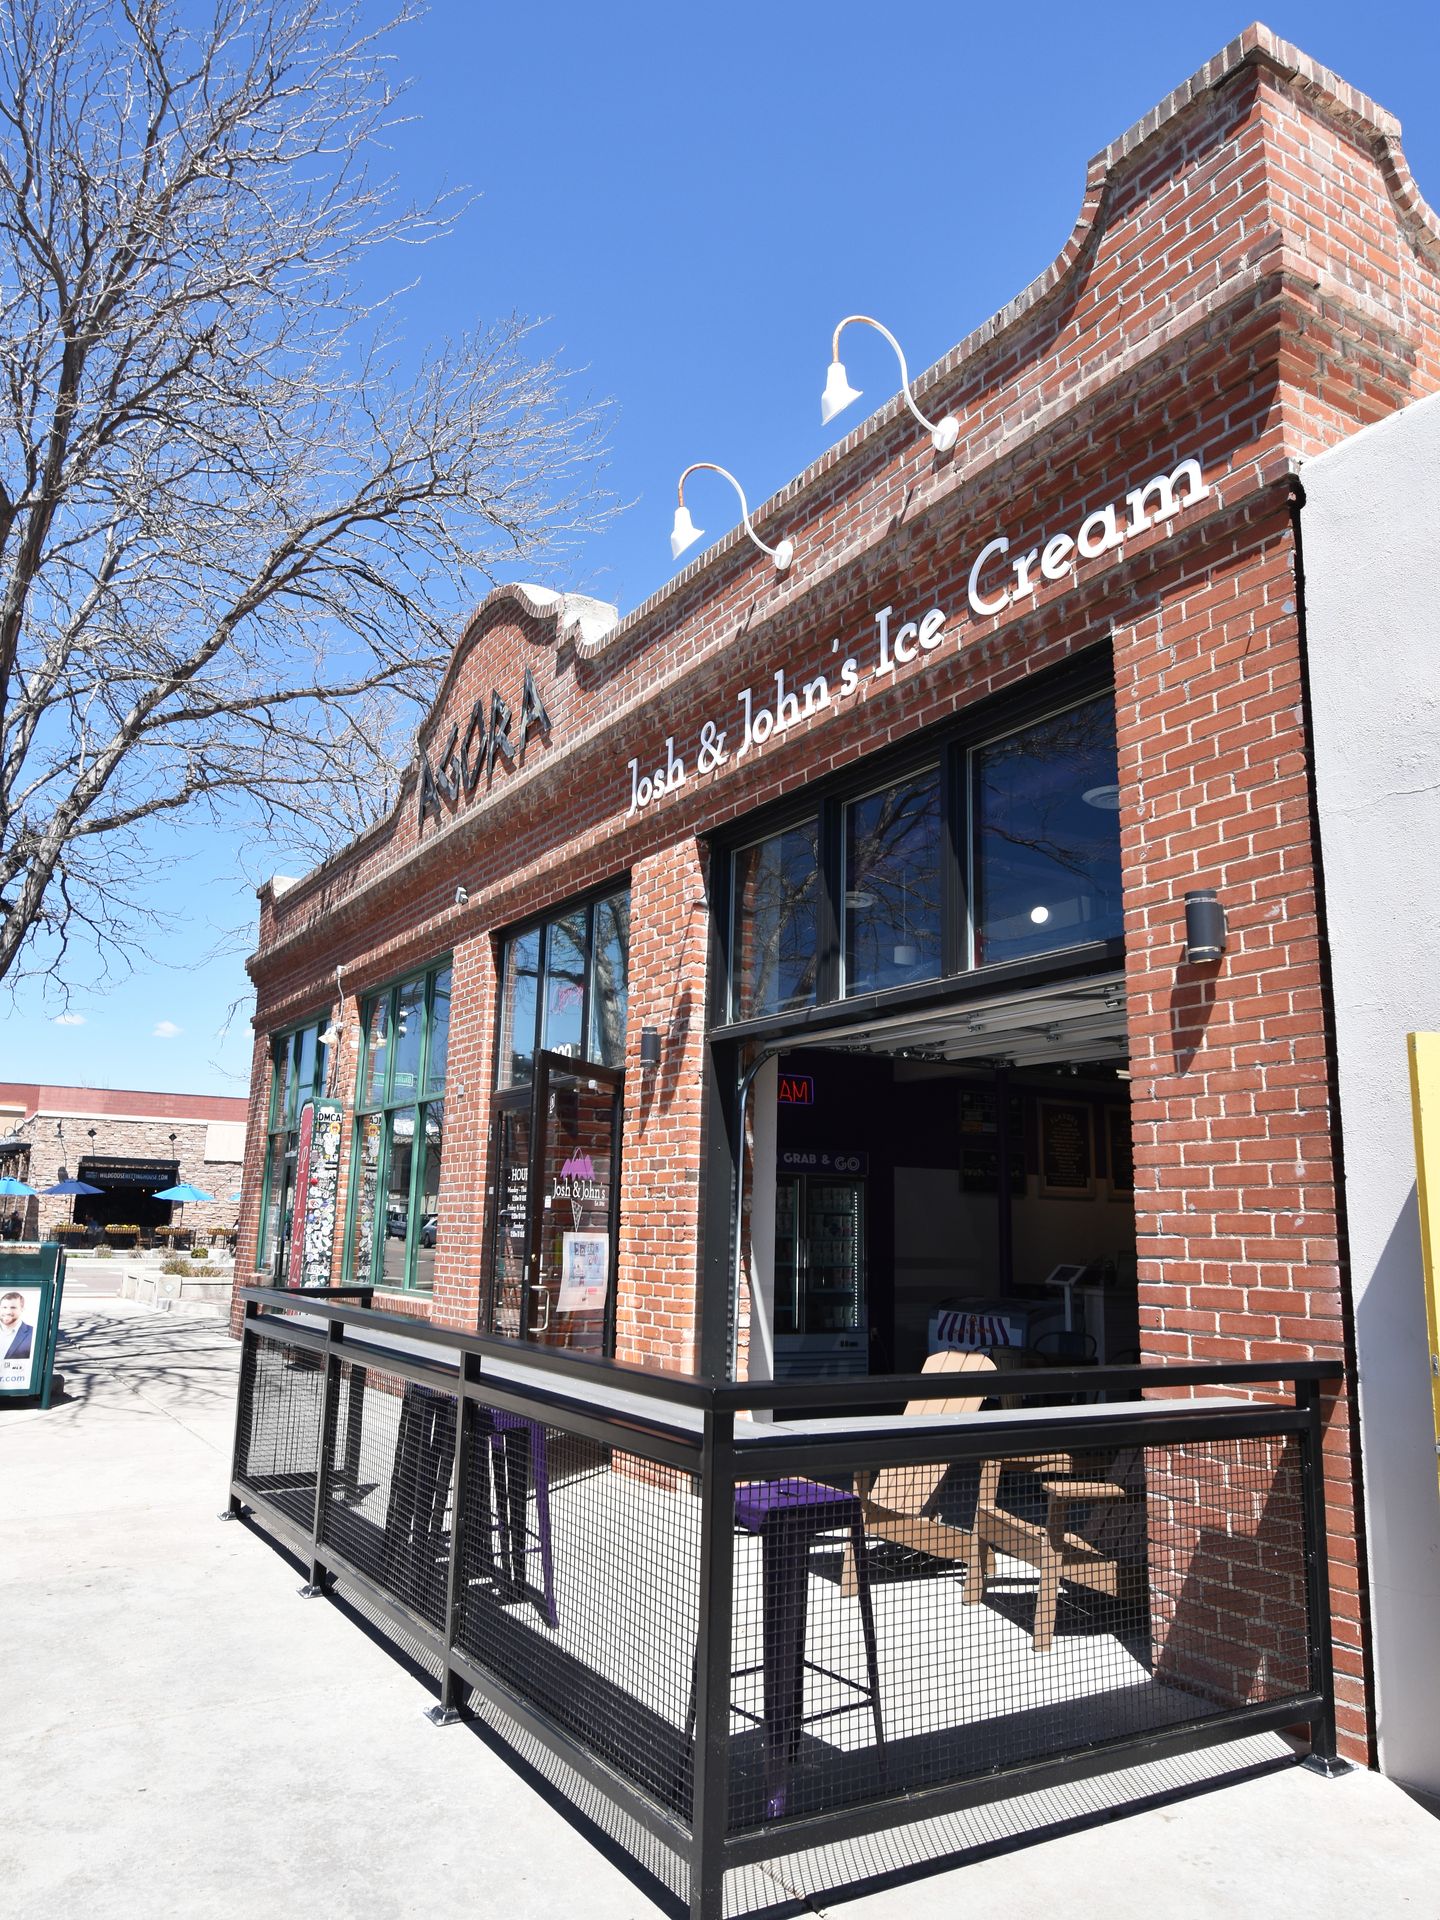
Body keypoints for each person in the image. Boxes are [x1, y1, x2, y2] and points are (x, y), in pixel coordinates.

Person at [0, 1289, 34, 1360]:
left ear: (22, 1309)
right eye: (4, 1307)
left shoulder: (33, 1333)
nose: (8, 1312)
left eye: (13, 1308)